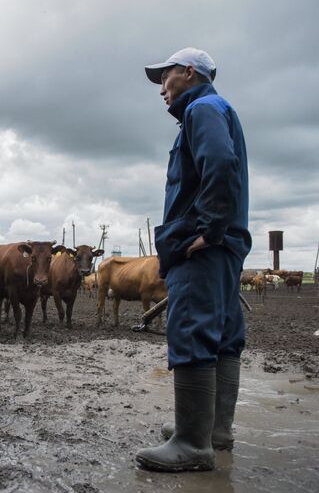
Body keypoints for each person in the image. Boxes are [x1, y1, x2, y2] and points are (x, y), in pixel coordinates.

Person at [136, 47, 251, 472]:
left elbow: (219, 164)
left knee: (192, 328)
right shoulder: (218, 109)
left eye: (164, 78)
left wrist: (208, 229)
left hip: (203, 248)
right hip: (227, 250)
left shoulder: (202, 109)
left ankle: (191, 444)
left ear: (189, 72)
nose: (161, 89)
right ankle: (214, 432)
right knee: (222, 334)